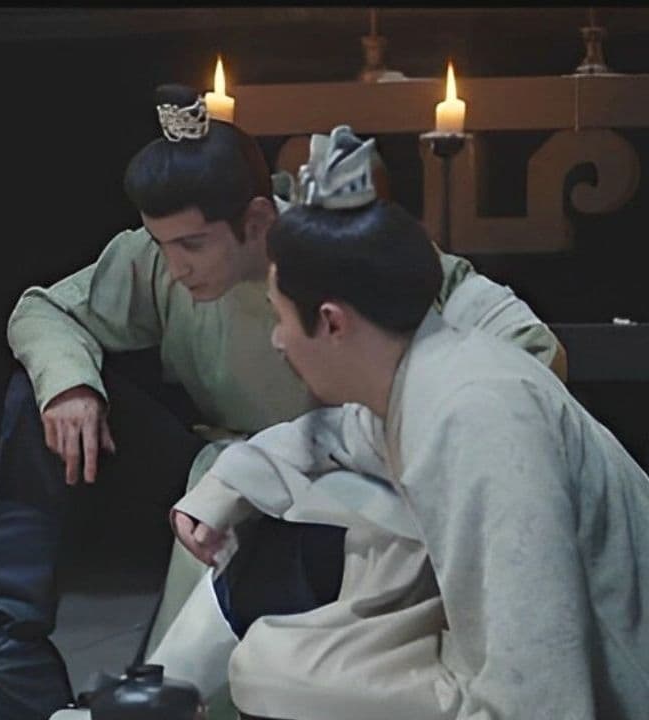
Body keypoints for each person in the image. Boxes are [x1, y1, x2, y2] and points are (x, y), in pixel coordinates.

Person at [0, 86, 566, 720]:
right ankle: (16, 663)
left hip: (337, 486)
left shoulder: (343, 252)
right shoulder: (161, 261)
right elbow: (45, 310)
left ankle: (172, 695)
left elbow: (527, 346)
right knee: (41, 392)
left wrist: (393, 435)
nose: (176, 267)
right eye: (163, 247)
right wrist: (71, 386)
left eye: (192, 245)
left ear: (256, 221)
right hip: (218, 460)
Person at [172, 126, 649, 719]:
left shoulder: (478, 416)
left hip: (598, 684)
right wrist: (226, 485)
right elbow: (337, 436)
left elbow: (542, 684)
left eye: (281, 318)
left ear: (332, 321)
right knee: (270, 662)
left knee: (278, 674)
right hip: (497, 661)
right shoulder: (424, 372)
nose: (278, 340)